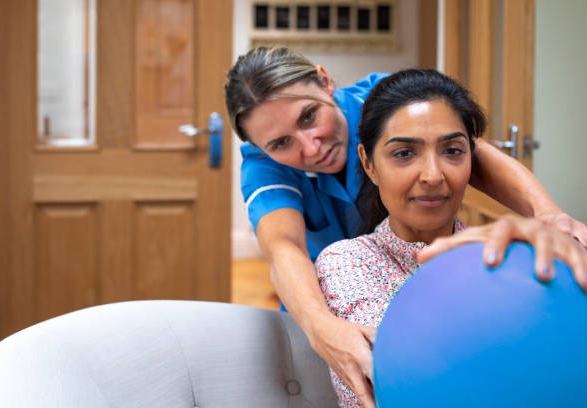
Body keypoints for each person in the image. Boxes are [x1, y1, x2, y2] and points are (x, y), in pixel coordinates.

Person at [224, 46, 587, 408]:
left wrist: (547, 215)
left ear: (324, 81)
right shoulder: (271, 174)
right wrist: (321, 326)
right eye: (281, 143)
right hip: (331, 304)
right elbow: (284, 246)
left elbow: (474, 155)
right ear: (369, 164)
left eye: (308, 117)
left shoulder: (387, 103)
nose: (310, 145)